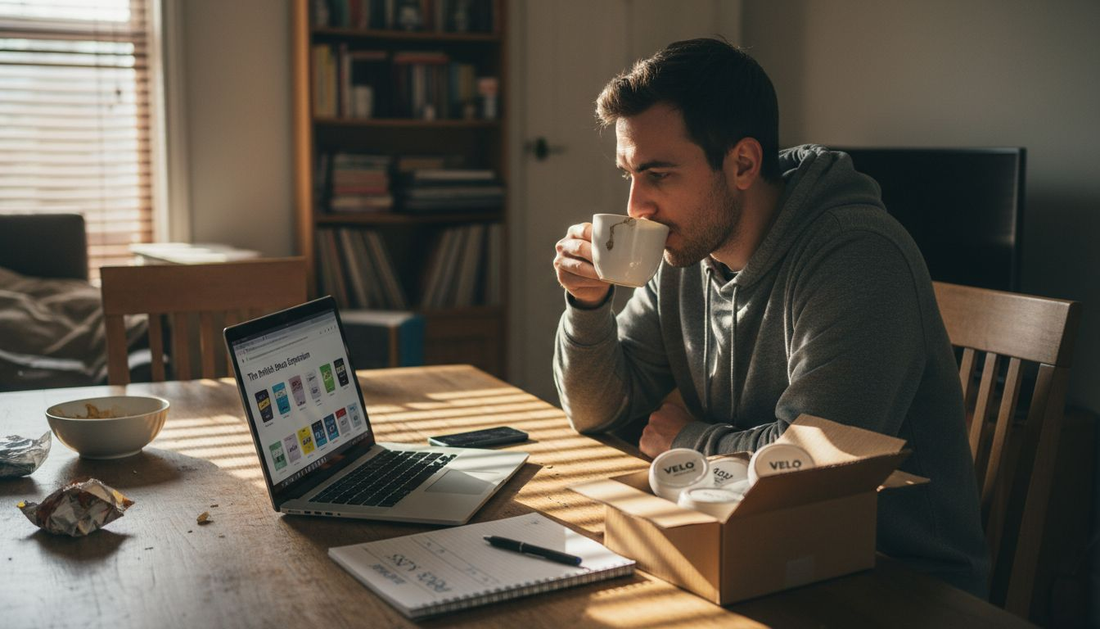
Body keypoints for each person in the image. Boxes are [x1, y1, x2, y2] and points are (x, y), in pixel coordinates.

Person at [551, 38, 989, 597]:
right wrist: (588, 306)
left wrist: (686, 440)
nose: (637, 206)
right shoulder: (685, 251)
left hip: (890, 578)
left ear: (742, 164)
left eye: (658, 174)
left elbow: (813, 469)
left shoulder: (857, 257)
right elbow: (597, 412)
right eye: (628, 174)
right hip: (743, 541)